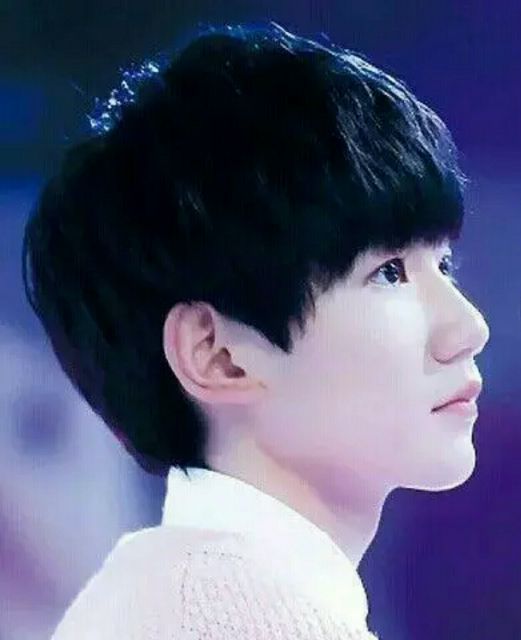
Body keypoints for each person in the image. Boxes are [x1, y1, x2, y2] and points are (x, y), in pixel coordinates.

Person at [21, 21, 490, 639]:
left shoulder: (157, 595)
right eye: (389, 273)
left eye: (444, 265)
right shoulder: (250, 619)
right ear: (217, 355)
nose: (468, 327)